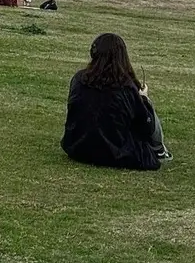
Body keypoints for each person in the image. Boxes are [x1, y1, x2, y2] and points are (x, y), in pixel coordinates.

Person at [61, 33, 172, 169]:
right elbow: (146, 127)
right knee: (146, 105)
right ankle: (160, 150)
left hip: (77, 148)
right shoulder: (125, 87)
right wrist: (143, 99)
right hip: (115, 154)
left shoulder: (79, 79)